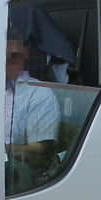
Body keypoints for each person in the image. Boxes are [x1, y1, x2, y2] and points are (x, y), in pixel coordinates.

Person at [4, 27, 60, 183]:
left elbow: (37, 154)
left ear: (23, 53)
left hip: (16, 181)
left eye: (10, 55)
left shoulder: (38, 93)